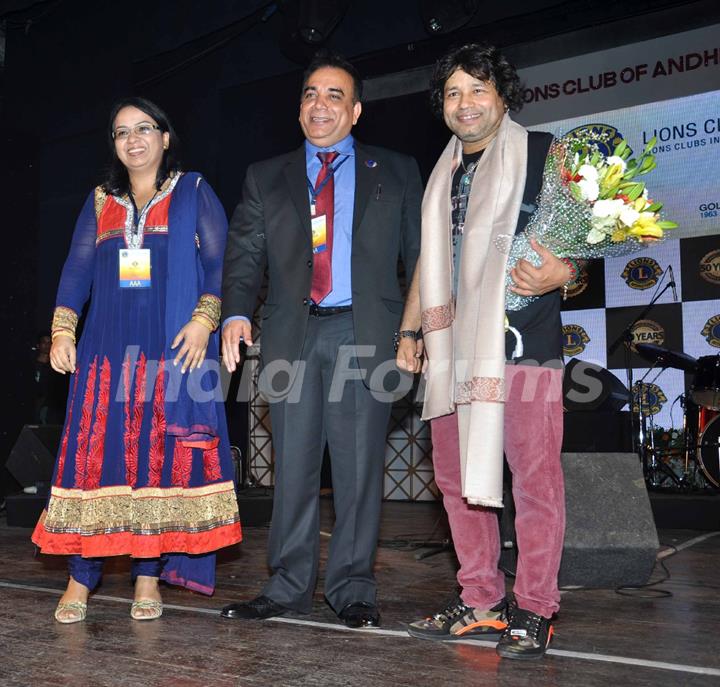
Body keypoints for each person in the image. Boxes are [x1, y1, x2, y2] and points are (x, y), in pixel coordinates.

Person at [220, 51, 422, 628]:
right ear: (299, 107)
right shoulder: (266, 176)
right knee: (294, 470)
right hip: (292, 334)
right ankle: (286, 585)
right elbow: (244, 255)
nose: (320, 104)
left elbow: (422, 258)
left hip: (368, 334)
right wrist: (235, 312)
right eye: (310, 93)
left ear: (355, 111)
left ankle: (354, 589)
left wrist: (417, 331)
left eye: (335, 95)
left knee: (359, 471)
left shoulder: (397, 169)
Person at [396, 44, 579, 659]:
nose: (465, 103)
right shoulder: (442, 172)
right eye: (453, 93)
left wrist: (565, 271)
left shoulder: (546, 155)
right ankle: (480, 600)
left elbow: (585, 236)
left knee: (533, 480)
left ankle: (535, 608)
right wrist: (411, 330)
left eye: (477, 89)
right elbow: (432, 257)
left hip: (523, 345)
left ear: (503, 96)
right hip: (451, 348)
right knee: (453, 480)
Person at [32, 97, 242, 624]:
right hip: (105, 352)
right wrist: (62, 329)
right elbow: (77, 269)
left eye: (144, 128)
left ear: (165, 137)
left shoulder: (192, 191)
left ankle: (147, 577)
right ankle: (81, 579)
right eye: (122, 132)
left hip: (169, 352)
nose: (133, 140)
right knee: (96, 463)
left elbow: (221, 264)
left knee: (155, 461)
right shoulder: (101, 200)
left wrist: (204, 320)